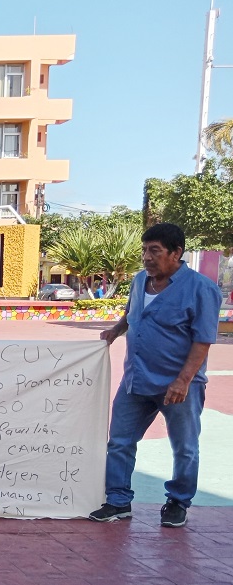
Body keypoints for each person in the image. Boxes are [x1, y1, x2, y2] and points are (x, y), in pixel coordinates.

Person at [89, 223, 222, 528]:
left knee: (184, 447)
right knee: (120, 442)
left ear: (176, 253)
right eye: (144, 250)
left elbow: (203, 339)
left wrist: (183, 380)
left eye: (155, 251)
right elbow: (131, 313)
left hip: (179, 386)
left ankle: (178, 501)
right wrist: (116, 330)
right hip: (136, 381)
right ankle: (118, 501)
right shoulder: (139, 282)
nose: (147, 257)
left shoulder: (201, 289)